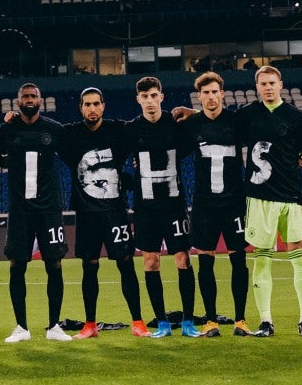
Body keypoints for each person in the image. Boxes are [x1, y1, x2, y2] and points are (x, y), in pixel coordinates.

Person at [58, 87, 150, 338]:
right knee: (90, 266)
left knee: (126, 264)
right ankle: (90, 325)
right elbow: (43, 131)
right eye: (87, 104)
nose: (92, 108)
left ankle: (138, 322)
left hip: (115, 211)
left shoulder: (117, 130)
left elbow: (146, 127)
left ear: (103, 106)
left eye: (96, 103)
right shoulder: (71, 134)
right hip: (87, 214)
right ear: (81, 108)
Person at [239, 66, 302, 337]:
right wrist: (193, 113)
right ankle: (265, 321)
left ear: (280, 84)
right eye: (263, 83)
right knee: (262, 260)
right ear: (257, 87)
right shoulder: (248, 114)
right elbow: (218, 121)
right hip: (259, 199)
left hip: (292, 198)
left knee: (300, 259)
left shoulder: (297, 117)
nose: (268, 87)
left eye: (272, 82)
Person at [0, 83, 72, 342]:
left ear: (40, 100)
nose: (29, 99)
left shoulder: (54, 130)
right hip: (20, 211)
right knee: (17, 265)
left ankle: (54, 326)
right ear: (18, 101)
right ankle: (21, 327)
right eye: (25, 96)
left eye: (33, 96)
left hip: (49, 210)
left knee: (55, 264)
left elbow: (74, 155)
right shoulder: (7, 130)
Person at [125, 77, 199, 338]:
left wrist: (193, 112)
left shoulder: (176, 124)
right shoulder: (131, 129)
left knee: (182, 258)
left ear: (161, 97)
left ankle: (189, 321)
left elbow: (211, 124)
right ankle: (163, 322)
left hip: (174, 205)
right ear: (138, 100)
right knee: (151, 261)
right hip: (145, 209)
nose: (150, 101)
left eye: (154, 95)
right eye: (145, 97)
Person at [179, 73, 251, 337]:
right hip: (204, 205)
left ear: (223, 94)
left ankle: (241, 320)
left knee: (238, 260)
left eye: (214, 92)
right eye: (205, 93)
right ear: (200, 96)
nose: (210, 96)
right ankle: (210, 321)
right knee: (205, 262)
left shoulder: (236, 121)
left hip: (234, 203)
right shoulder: (192, 124)